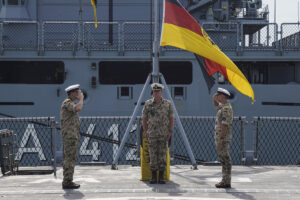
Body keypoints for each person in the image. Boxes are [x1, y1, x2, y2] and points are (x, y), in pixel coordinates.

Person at [142, 83, 174, 184]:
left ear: (161, 92)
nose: (156, 93)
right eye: (155, 91)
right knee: (152, 155)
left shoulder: (167, 104)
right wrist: (145, 131)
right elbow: (144, 118)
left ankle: (160, 177)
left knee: (162, 155)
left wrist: (170, 131)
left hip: (163, 133)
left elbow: (171, 118)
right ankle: (153, 177)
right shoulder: (148, 104)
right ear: (153, 92)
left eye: (158, 91)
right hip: (152, 133)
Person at [60, 84, 83, 189]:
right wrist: (81, 99)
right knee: (69, 159)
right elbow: (78, 108)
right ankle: (67, 181)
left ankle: (68, 180)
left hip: (71, 136)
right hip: (69, 137)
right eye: (77, 92)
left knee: (71, 158)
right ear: (72, 93)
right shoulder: (67, 103)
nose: (79, 94)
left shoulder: (70, 103)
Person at [213, 87, 233, 188]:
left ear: (223, 96)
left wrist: (221, 139)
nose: (217, 96)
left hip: (223, 138)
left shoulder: (226, 109)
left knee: (225, 159)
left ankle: (226, 181)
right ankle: (225, 180)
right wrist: (214, 98)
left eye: (218, 95)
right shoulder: (223, 106)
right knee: (223, 159)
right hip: (221, 138)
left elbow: (225, 125)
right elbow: (216, 105)